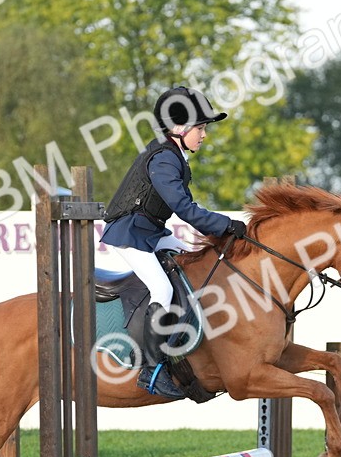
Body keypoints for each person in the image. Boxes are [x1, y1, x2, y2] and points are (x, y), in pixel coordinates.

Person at [100, 86, 246, 396]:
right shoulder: (165, 159)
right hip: (130, 233)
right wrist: (225, 225)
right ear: (179, 128)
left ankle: (189, 350)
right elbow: (184, 208)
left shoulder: (173, 154)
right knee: (162, 289)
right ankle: (151, 369)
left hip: (150, 231)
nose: (204, 135)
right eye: (200, 128)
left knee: (190, 264)